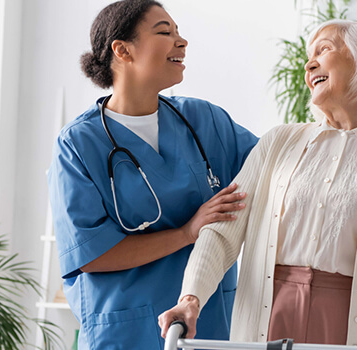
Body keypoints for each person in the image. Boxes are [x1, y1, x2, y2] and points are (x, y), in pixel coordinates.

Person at [158, 19, 357, 350]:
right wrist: (190, 299)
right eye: (310, 56)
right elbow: (223, 234)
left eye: (324, 50)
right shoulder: (278, 142)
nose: (309, 64)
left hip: (350, 323)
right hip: (267, 315)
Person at [47, 1, 258, 348]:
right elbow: (91, 254)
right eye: (165, 32)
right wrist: (188, 232)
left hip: (208, 326)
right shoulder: (78, 144)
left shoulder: (204, 121)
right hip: (126, 331)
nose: (182, 41)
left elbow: (275, 170)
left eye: (178, 32)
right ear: (123, 50)